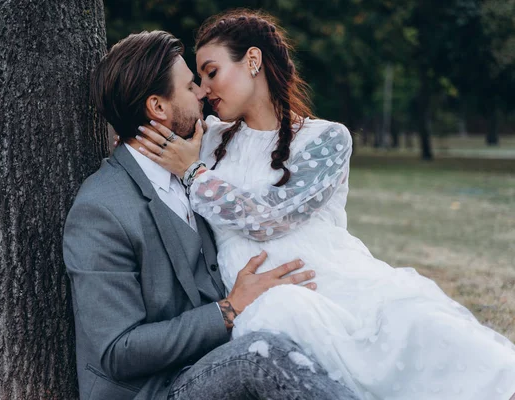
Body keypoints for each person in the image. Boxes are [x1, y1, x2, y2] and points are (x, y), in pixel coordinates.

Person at [135, 9, 515, 400]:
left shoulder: (327, 140)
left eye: (211, 72)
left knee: (420, 329)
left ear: (252, 60)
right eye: (198, 78)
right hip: (264, 295)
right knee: (293, 329)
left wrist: (194, 174)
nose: (203, 88)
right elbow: (138, 118)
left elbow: (269, 218)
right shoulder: (206, 139)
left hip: (331, 279)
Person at [63, 30, 359, 400]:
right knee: (262, 354)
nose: (203, 92)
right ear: (158, 108)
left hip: (212, 357)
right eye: (190, 87)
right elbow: (117, 351)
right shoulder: (101, 209)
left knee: (325, 339)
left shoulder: (201, 166)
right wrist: (229, 309)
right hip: (157, 388)